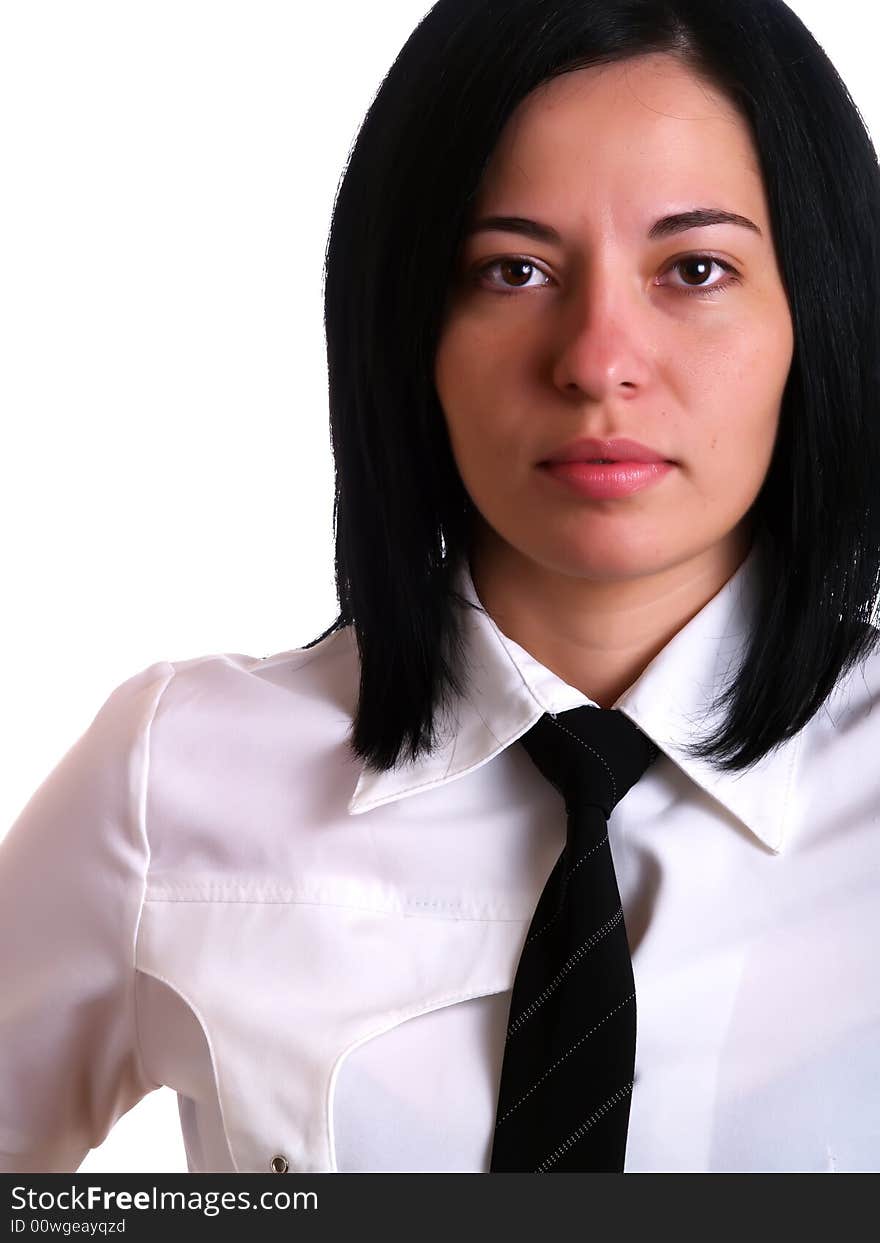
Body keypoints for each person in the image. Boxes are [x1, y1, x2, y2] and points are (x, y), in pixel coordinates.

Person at [2, 0, 879, 1175]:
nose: (596, 360)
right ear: (407, 322)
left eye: (695, 268)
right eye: (512, 269)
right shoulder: (173, 777)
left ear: (812, 312)